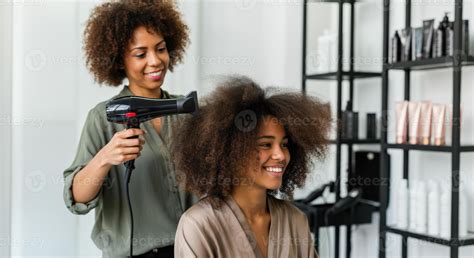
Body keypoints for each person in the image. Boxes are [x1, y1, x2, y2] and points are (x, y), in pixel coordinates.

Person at [62, 1, 195, 257]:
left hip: (191, 250)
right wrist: (104, 158)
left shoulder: (187, 112)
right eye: (140, 54)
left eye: (161, 49)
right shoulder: (103, 118)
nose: (155, 61)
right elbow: (77, 199)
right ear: (119, 60)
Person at [171, 76, 332, 258]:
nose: (280, 155)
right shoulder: (199, 225)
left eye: (285, 144)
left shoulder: (295, 220)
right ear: (231, 151)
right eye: (266, 145)